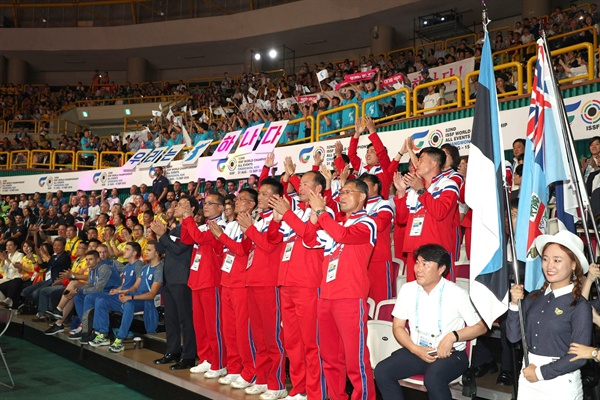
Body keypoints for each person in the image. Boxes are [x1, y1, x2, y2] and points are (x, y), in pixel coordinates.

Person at [374, 244, 487, 399]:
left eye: (425, 264)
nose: (418, 269)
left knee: (433, 379)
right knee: (382, 371)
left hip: (450, 355)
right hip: (417, 350)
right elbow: (398, 327)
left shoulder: (456, 293)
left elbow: (481, 327)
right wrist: (415, 349)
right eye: (417, 262)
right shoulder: (408, 289)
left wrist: (452, 336)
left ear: (441, 269)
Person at [304, 179, 377, 400]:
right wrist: (315, 217)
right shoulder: (336, 223)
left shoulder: (367, 222)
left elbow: (342, 236)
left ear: (362, 196)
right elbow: (308, 240)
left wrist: (322, 213)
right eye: (341, 192)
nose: (342, 196)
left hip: (350, 297)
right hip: (326, 296)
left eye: (347, 192)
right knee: (330, 358)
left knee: (356, 360)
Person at [507, 230, 592, 399]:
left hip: (560, 382)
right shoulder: (533, 298)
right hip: (528, 377)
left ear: (573, 264)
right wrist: (515, 305)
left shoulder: (579, 305)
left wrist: (540, 373)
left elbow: (579, 356)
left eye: (557, 260)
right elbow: (513, 337)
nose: (549, 265)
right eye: (545, 259)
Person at [238, 178, 287, 399]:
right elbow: (247, 248)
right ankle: (262, 377)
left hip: (269, 283)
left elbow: (268, 246)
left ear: (277, 197)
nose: (261, 197)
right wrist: (247, 228)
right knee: (258, 336)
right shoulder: (260, 220)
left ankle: (276, 384)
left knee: (272, 336)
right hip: (253, 282)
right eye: (260, 193)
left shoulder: (280, 220)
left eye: (266, 193)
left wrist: (250, 229)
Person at [393, 147, 459, 281]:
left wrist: (422, 191)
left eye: (421, 160)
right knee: (416, 297)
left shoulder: (448, 184)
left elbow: (440, 212)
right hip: (414, 251)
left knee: (437, 296)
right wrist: (400, 193)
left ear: (434, 163)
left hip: (435, 252)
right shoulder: (414, 188)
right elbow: (401, 219)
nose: (417, 164)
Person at [152, 196, 197, 371]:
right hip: (169, 278)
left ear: (192, 208)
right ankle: (172, 351)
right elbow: (163, 248)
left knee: (185, 320)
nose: (176, 207)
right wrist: (160, 234)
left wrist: (163, 235)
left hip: (182, 278)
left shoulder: (190, 227)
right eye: (176, 204)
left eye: (182, 204)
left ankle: (189, 355)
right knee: (170, 319)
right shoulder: (176, 227)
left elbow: (179, 249)